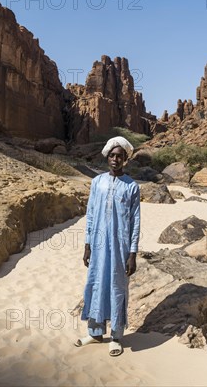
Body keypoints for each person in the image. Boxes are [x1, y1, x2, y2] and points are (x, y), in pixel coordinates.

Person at [74, 136, 141, 357]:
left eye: (120, 156)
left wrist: (132, 253)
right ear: (107, 156)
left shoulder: (132, 186)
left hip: (121, 247)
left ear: (125, 160)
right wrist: (87, 245)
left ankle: (116, 337)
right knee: (96, 285)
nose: (115, 159)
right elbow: (91, 215)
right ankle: (94, 333)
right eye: (112, 155)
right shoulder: (97, 182)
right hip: (98, 245)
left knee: (117, 288)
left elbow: (135, 221)